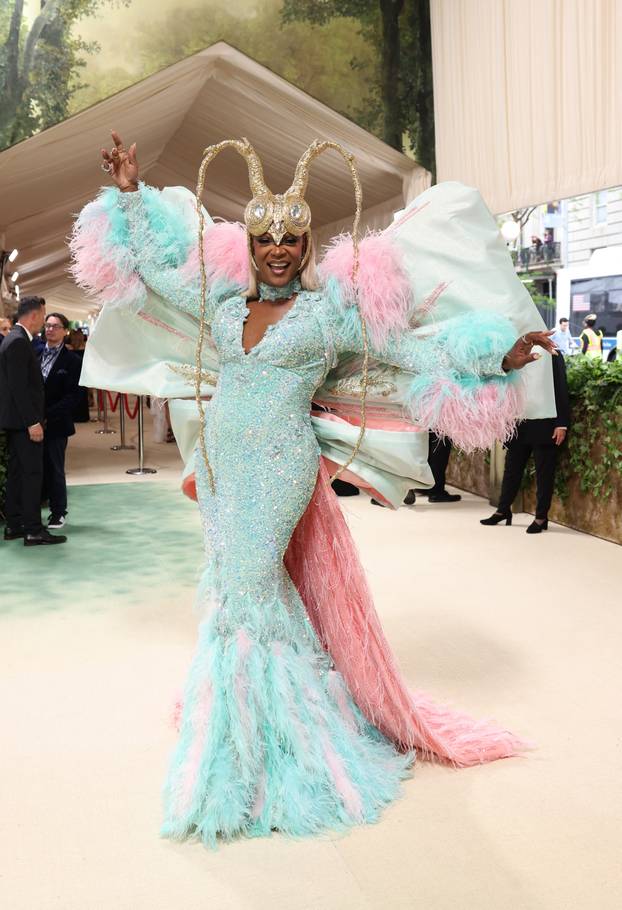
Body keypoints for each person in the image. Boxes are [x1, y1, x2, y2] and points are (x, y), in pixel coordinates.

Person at [70, 130, 556, 846]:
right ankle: (263, 722)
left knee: (249, 583)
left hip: (280, 466)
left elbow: (412, 348)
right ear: (253, 244)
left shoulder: (330, 314)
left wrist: (499, 349)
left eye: (289, 241)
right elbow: (155, 273)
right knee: (239, 590)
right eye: (264, 237)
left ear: (305, 248)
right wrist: (131, 192)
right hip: (224, 462)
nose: (276, 249)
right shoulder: (224, 302)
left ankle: (263, 749)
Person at [0, 297, 67, 545]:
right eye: (43, 316)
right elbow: (19, 388)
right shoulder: (18, 341)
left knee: (18, 473)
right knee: (31, 474)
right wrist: (32, 422)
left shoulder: (15, 339)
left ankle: (15, 525)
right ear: (35, 315)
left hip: (15, 421)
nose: (44, 321)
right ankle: (32, 530)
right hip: (23, 422)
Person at [480, 353, 569, 533]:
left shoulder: (553, 353)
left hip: (546, 420)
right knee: (512, 468)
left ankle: (541, 517)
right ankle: (503, 510)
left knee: (544, 471)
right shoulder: (516, 349)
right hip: (519, 419)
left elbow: (560, 386)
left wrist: (562, 423)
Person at [40, 312, 81, 529]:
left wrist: (49, 416)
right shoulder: (34, 353)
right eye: (47, 325)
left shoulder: (72, 361)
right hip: (32, 422)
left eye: (55, 326)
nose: (50, 329)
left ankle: (58, 512)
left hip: (56, 425)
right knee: (35, 468)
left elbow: (73, 397)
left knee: (55, 468)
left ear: (65, 330)